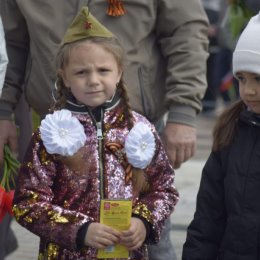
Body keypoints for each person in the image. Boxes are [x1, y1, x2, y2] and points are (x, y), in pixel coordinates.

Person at [0, 1, 209, 259]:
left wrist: (144, 222)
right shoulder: (48, 138)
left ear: (119, 72)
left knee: (159, 248)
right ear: (64, 76)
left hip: (142, 116)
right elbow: (10, 42)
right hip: (66, 245)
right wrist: (79, 231)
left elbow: (163, 191)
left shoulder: (140, 132)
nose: (93, 80)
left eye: (103, 70)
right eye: (81, 72)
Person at [182, 12, 260, 259]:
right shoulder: (231, 129)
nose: (248, 91)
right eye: (241, 78)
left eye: (258, 78)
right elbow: (207, 219)